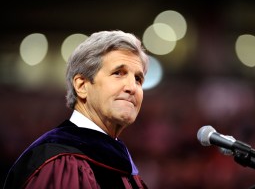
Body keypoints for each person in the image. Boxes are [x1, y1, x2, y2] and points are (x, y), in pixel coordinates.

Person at [4, 30, 149, 189]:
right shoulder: (60, 163)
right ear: (81, 86)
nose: (132, 87)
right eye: (118, 73)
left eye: (138, 79)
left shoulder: (121, 163)